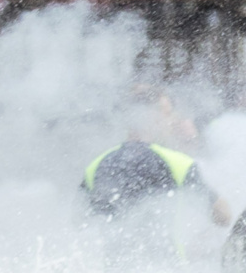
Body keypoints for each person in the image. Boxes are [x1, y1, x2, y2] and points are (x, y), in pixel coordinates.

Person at [83, 88, 232, 228]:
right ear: (152, 118)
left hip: (103, 256)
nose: (171, 122)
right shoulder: (177, 164)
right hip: (165, 256)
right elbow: (223, 217)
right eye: (167, 114)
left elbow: (78, 222)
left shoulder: (97, 165)